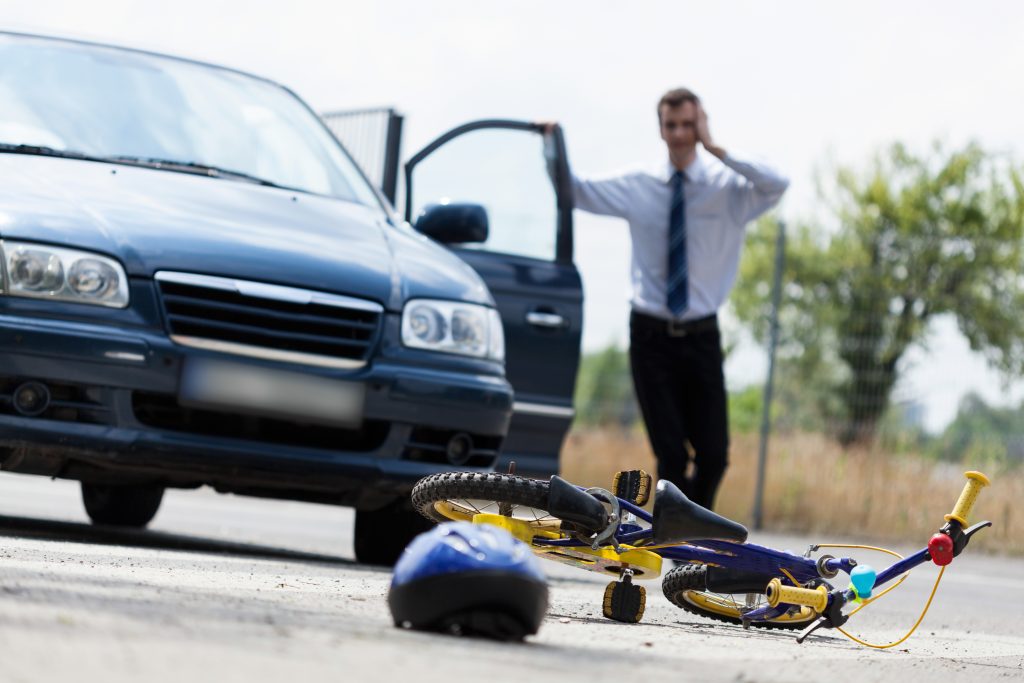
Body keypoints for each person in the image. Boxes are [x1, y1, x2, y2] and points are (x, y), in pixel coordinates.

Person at [545, 88, 788, 510]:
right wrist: (551, 147)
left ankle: (695, 525)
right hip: (650, 336)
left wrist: (715, 148)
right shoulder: (640, 185)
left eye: (688, 125)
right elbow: (575, 192)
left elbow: (777, 183)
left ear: (701, 124)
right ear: (660, 129)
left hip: (701, 335)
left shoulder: (729, 189)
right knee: (671, 455)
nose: (679, 134)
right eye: (671, 125)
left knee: (714, 456)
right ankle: (682, 543)